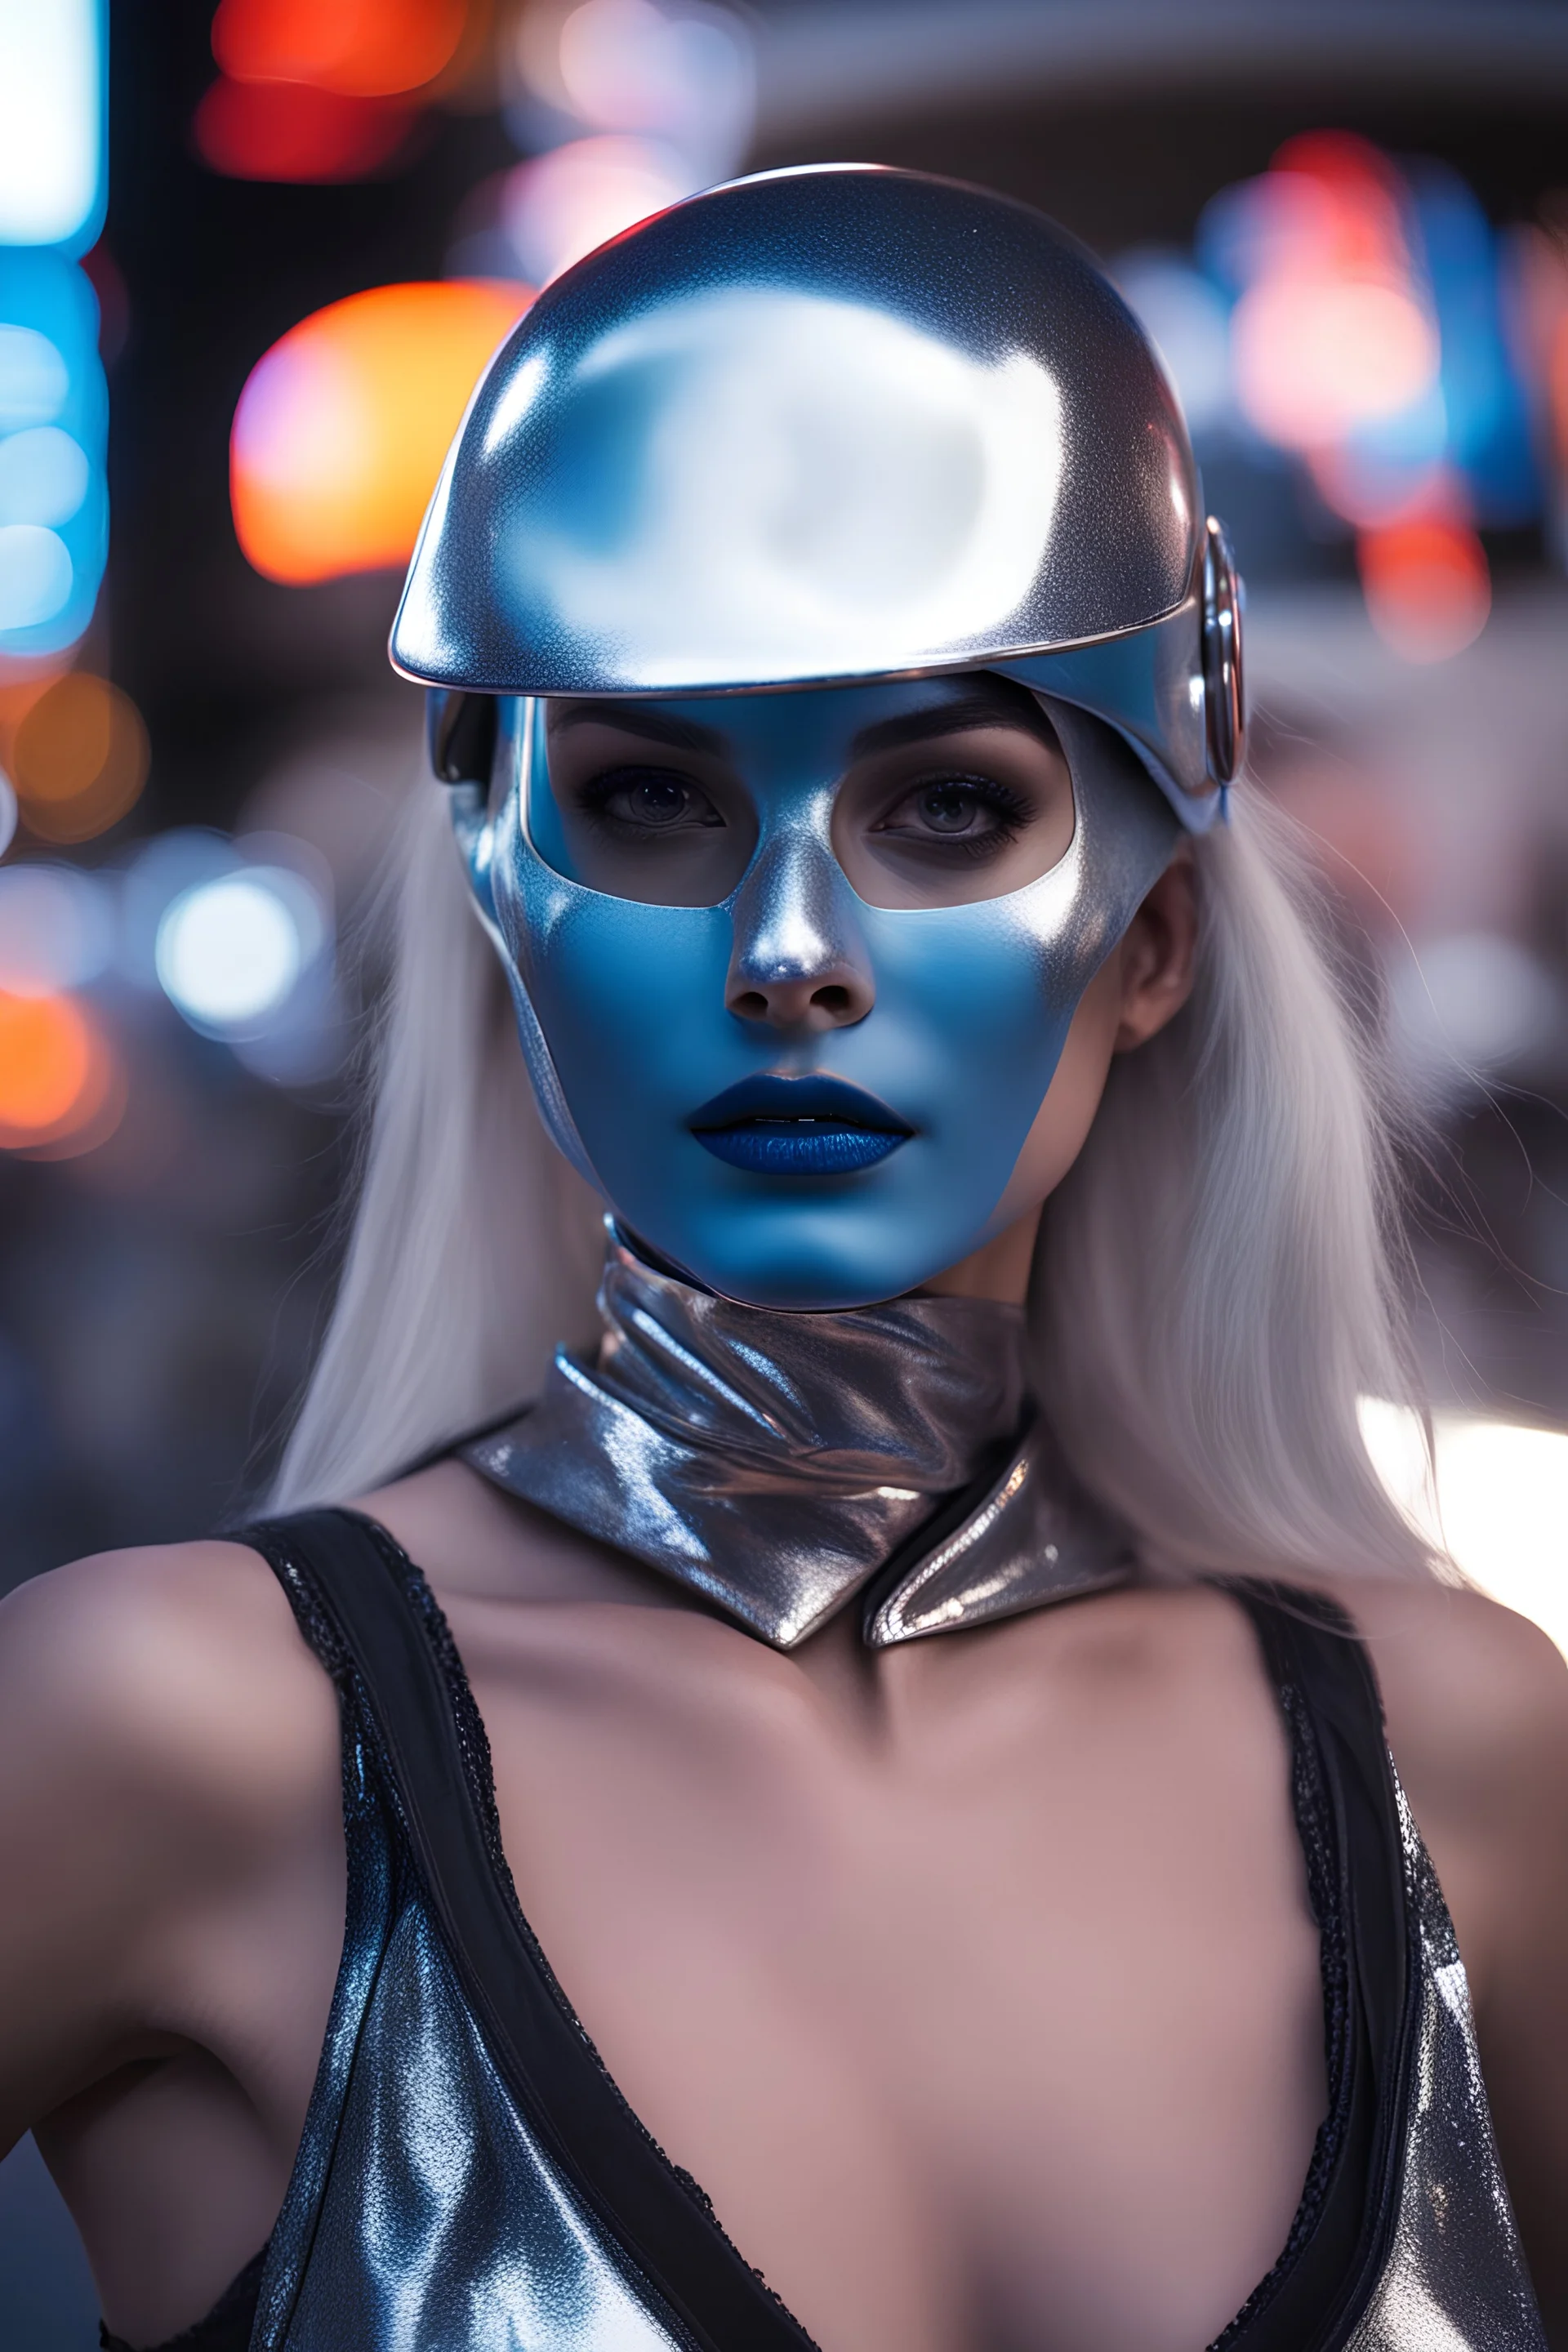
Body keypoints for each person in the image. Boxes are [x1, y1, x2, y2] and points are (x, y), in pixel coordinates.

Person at [2, 165, 1566, 2352]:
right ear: (502, 894)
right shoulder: (170, 1737)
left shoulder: (1470, 1765)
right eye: (657, 803)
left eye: (947, 811)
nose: (794, 955)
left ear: (1157, 943)